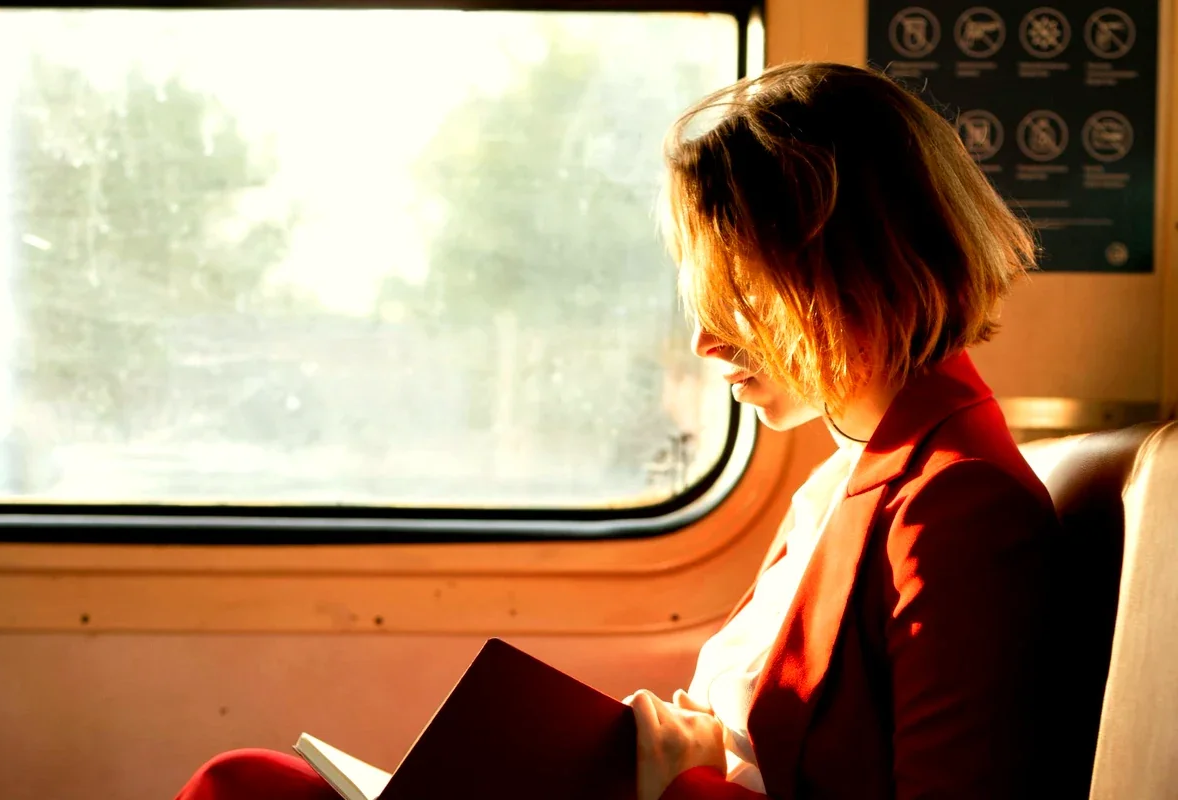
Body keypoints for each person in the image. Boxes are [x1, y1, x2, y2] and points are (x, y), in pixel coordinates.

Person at [174, 62, 1101, 800]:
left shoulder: (957, 507)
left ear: (843, 278)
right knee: (249, 781)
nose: (704, 338)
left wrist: (682, 786)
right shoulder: (844, 475)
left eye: (738, 297)